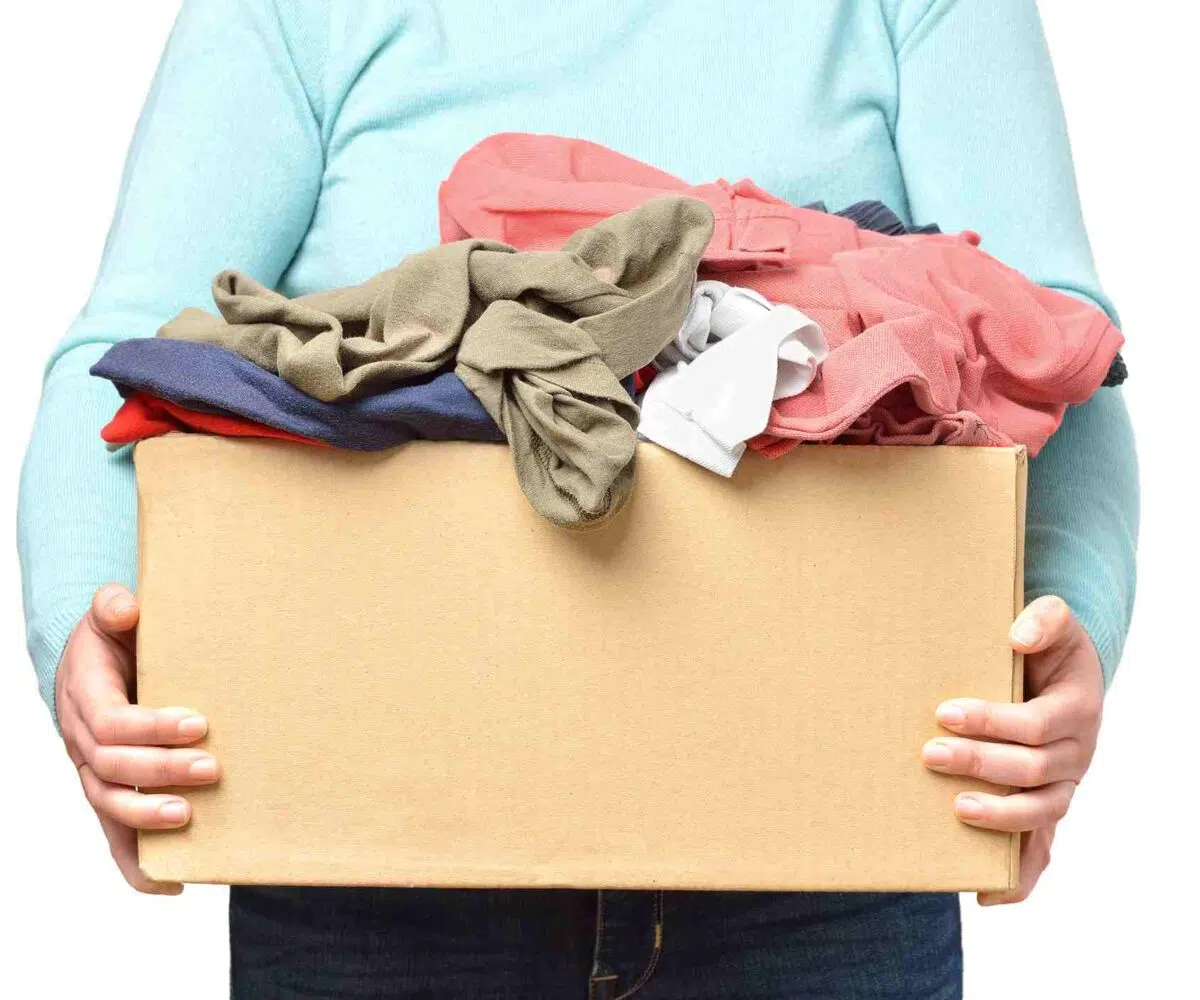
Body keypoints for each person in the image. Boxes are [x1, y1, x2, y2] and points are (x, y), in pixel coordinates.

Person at [18, 1, 1138, 997]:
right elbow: (120, 344)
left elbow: (1061, 342)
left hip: (828, 863)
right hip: (369, 864)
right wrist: (86, 630)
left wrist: (1066, 631)